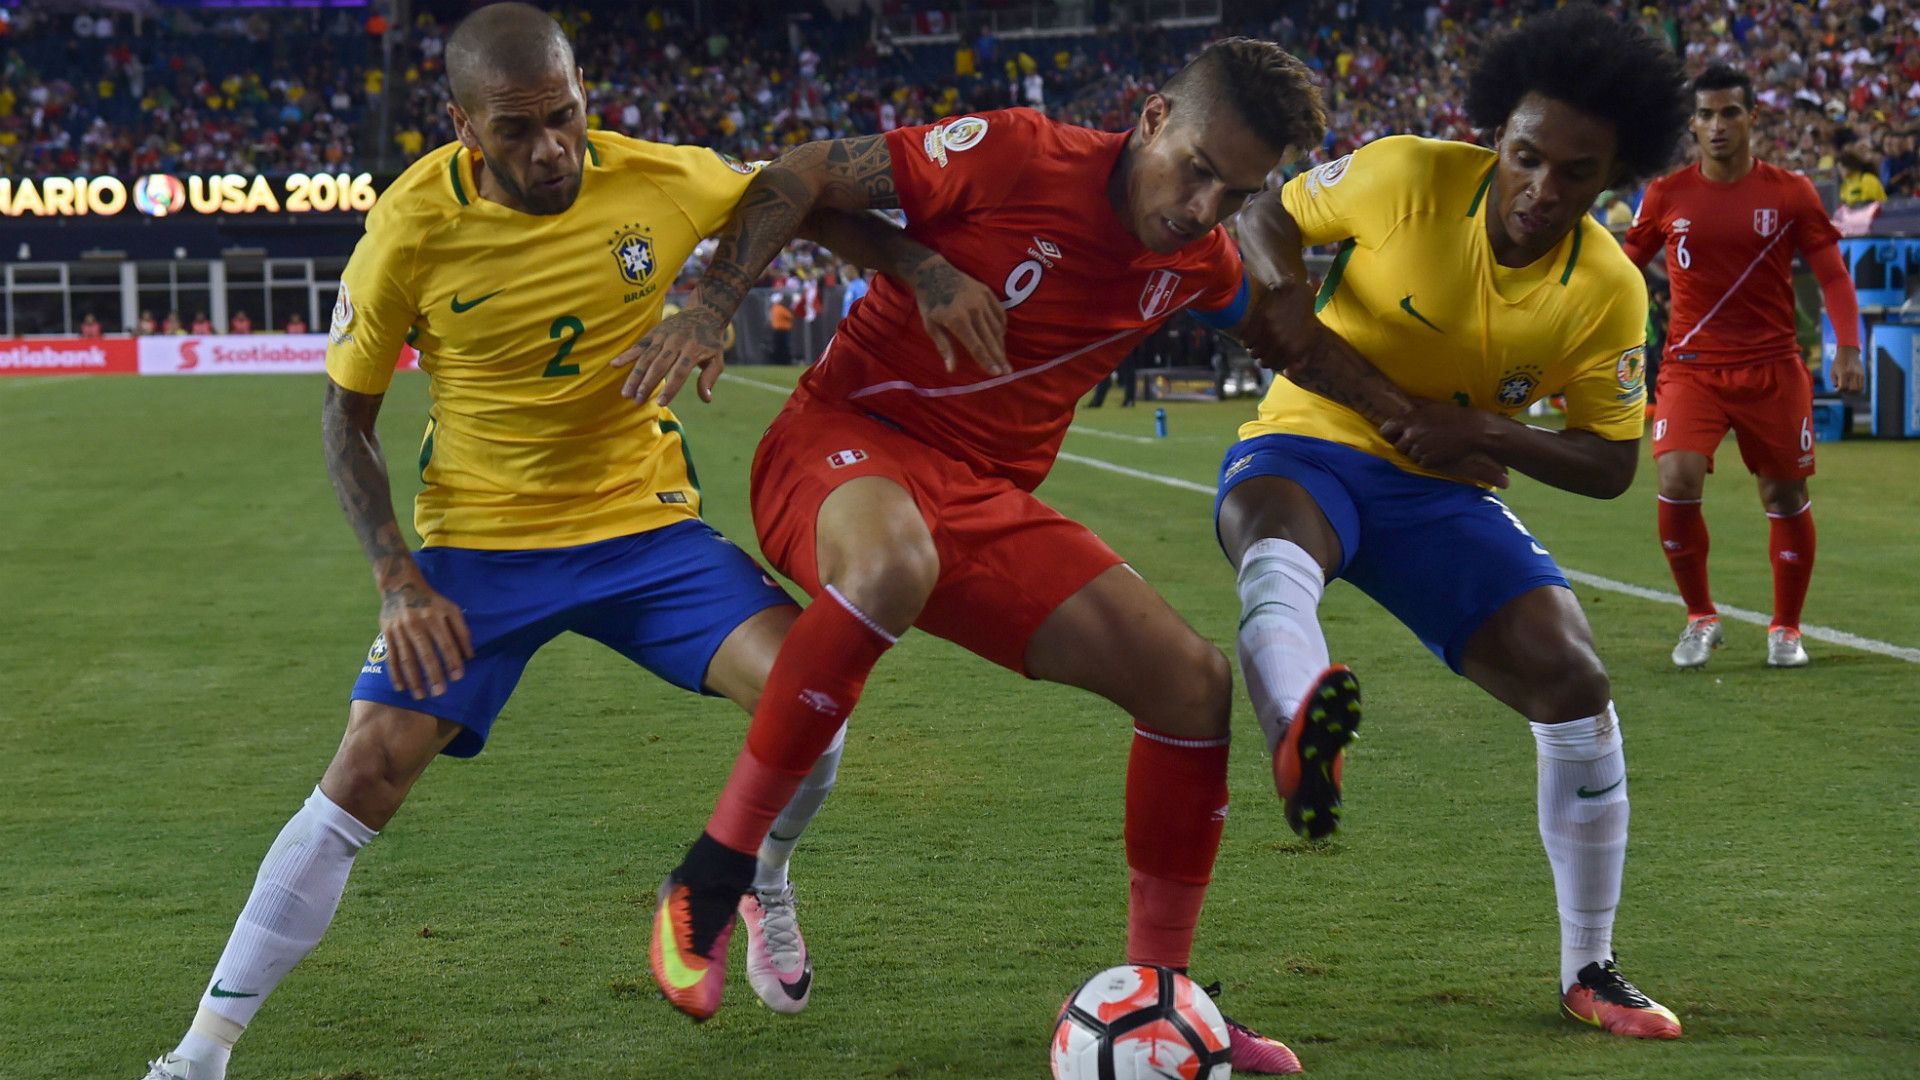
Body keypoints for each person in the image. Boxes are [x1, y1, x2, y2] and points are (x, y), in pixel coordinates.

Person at [135, 7, 979, 1079]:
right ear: (463, 126)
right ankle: (197, 1058)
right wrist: (398, 581)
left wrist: (895, 274)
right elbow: (345, 423)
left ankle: (760, 875)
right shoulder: (408, 228)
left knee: (817, 698)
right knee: (366, 769)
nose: (551, 150)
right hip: (480, 547)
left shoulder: (655, 176)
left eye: (566, 117)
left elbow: (795, 193)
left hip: (642, 530)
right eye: (517, 129)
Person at [619, 38, 1352, 1074]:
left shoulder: (1200, 260)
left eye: (1234, 194)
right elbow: (800, 173)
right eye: (1196, 170)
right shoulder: (1017, 154)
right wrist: (897, 270)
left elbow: (1292, 336)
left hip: (980, 502)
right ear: (1152, 117)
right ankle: (710, 876)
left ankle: (1163, 1001)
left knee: (1189, 684)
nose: (1203, 209)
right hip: (843, 443)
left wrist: (1433, 418)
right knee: (890, 564)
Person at [1215, 6, 1689, 1040]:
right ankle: (1298, 727)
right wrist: (1283, 284)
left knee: (1575, 680)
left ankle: (1590, 970)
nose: (1542, 188)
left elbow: (1611, 462)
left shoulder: (1608, 290)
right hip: (1306, 439)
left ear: (1614, 176)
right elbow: (1265, 210)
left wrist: (1479, 430)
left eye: (1576, 172)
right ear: (1495, 135)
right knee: (1275, 542)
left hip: (1437, 489)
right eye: (1527, 156)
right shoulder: (1406, 174)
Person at [1622, 64, 1865, 669]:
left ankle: (1786, 629)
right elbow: (1624, 267)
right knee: (1675, 477)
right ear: (1692, 123)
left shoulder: (1791, 192)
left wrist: (1848, 346)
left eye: (1729, 112)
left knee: (1784, 493)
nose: (1717, 125)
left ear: (1752, 116)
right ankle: (1699, 617)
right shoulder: (1666, 195)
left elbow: (1833, 275)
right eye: (1705, 115)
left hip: (1772, 366)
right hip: (1691, 367)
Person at [767, 291, 795, 363]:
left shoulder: (773, 308)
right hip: (783, 330)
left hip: (776, 330)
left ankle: (777, 360)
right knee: (784, 346)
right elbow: (790, 316)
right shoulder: (780, 308)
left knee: (777, 346)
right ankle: (785, 361)